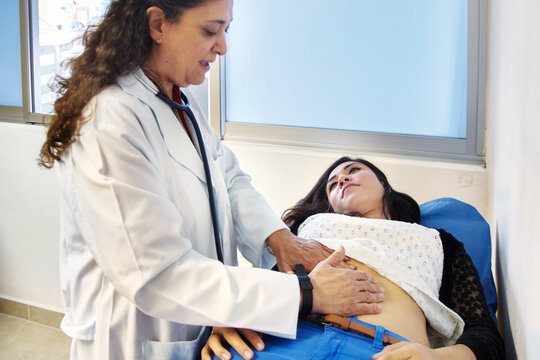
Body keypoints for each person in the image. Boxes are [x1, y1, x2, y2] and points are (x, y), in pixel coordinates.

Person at [38, 2, 385, 359]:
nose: (222, 46)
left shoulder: (179, 99)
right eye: (210, 30)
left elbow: (228, 177)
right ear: (158, 25)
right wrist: (305, 293)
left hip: (199, 321)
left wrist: (278, 239)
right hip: (131, 337)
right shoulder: (108, 121)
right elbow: (159, 274)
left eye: (225, 31)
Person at [202, 157, 505, 360]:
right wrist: (233, 314)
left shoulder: (439, 242)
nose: (341, 179)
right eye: (332, 184)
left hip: (383, 351)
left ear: (384, 183)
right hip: (278, 344)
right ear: (330, 204)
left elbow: (484, 333)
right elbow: (269, 282)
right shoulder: (305, 230)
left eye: (353, 170)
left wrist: (436, 356)